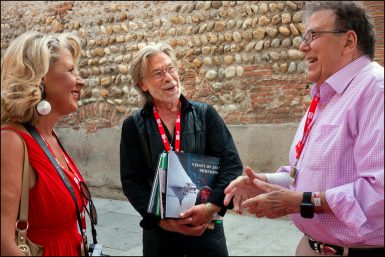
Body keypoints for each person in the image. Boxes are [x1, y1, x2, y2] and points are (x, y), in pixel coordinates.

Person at [224, 1, 384, 256]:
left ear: (348, 41)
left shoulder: (376, 90)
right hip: (312, 246)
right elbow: (304, 175)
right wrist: (264, 183)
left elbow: (380, 191)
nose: (302, 46)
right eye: (303, 36)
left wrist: (302, 202)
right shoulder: (326, 96)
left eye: (313, 35)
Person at [120, 42, 243, 256]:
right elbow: (132, 181)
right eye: (158, 73)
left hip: (207, 230)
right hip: (161, 237)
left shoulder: (205, 115)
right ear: (143, 84)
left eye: (171, 69)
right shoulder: (133, 126)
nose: (168, 77)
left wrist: (210, 208)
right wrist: (162, 221)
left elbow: (231, 164)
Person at [0, 31, 94, 256]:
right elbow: (3, 243)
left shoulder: (48, 136)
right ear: (41, 77)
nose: (81, 81)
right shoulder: (11, 141)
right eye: (70, 70)